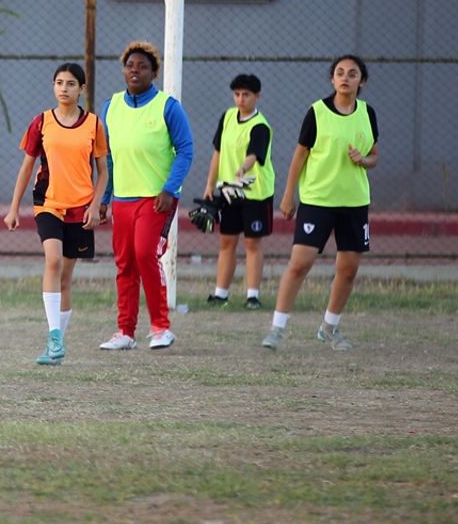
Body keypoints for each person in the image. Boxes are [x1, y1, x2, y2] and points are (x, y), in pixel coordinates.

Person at [262, 55, 379, 352]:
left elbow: (374, 155)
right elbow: (299, 156)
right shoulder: (316, 112)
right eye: (340, 73)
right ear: (332, 79)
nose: (345, 77)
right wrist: (288, 195)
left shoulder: (367, 113)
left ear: (361, 81)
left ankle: (329, 327)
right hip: (317, 200)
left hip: (354, 202)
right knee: (300, 263)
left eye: (352, 74)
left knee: (349, 268)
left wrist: (363, 160)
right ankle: (277, 329)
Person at [4, 63, 109, 366]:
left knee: (65, 277)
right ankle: (53, 335)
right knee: (52, 260)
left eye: (71, 83)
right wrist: (13, 208)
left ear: (81, 89)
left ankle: (56, 347)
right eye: (59, 83)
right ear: (53, 86)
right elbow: (27, 167)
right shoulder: (41, 123)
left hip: (81, 207)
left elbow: (103, 172)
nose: (64, 88)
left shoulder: (93, 125)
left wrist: (95, 205)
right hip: (48, 202)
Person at [98, 41, 194, 351]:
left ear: (154, 72)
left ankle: (161, 327)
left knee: (144, 254)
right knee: (124, 263)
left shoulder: (167, 106)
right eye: (130, 65)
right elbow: (108, 157)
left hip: (156, 198)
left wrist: (169, 188)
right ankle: (125, 332)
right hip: (122, 199)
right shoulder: (111, 106)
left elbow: (186, 150)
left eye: (142, 66)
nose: (135, 70)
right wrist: (104, 197)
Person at [202, 74, 274, 310]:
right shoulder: (227, 117)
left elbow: (254, 155)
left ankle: (252, 296)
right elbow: (218, 153)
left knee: (252, 244)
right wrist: (209, 186)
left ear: (257, 96)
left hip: (255, 193)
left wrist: (243, 167)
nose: (241, 99)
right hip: (229, 192)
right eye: (237, 94)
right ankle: (220, 294)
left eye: (246, 95)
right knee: (227, 241)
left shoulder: (260, 125)